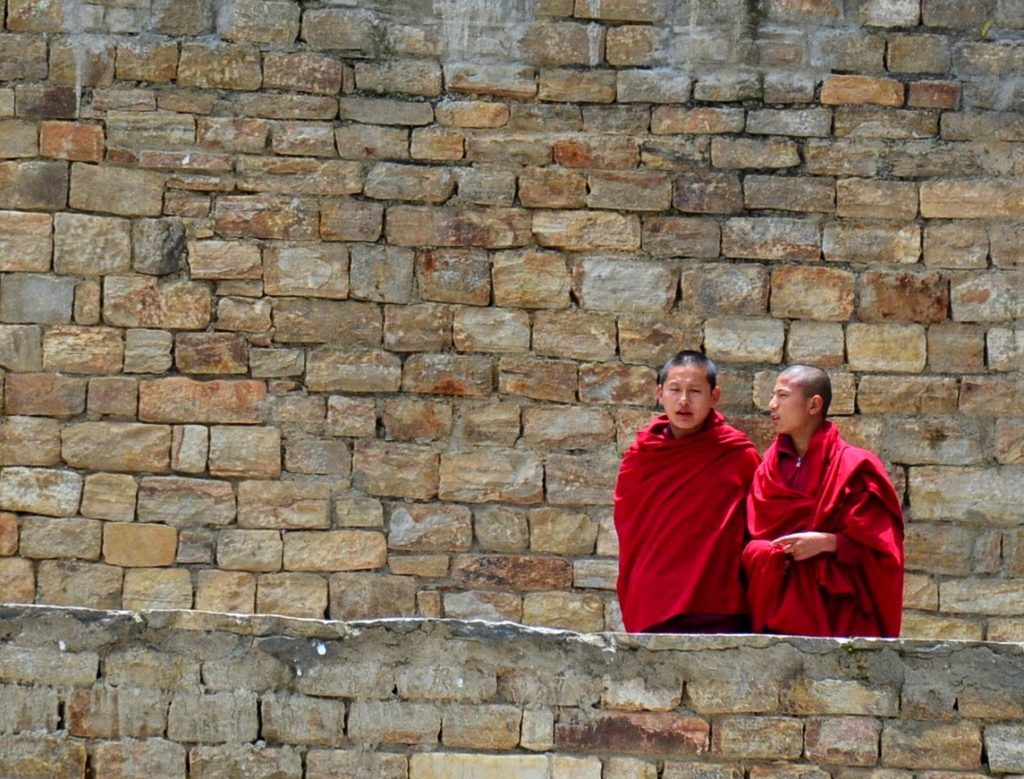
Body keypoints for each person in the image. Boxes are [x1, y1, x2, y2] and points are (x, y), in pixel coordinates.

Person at [742, 365, 904, 638]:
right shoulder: (768, 466)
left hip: (838, 611)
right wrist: (764, 553)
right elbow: (753, 533)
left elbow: (883, 550)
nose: (772, 405)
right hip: (778, 607)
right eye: (773, 396)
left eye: (782, 396)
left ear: (814, 404)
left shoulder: (855, 466)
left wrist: (828, 543)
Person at [613, 350, 761, 633]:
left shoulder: (736, 454)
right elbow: (631, 533)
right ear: (660, 393)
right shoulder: (642, 458)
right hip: (654, 600)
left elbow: (759, 524)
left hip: (716, 603)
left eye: (695, 391)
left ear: (714, 397)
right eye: (675, 390)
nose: (684, 401)